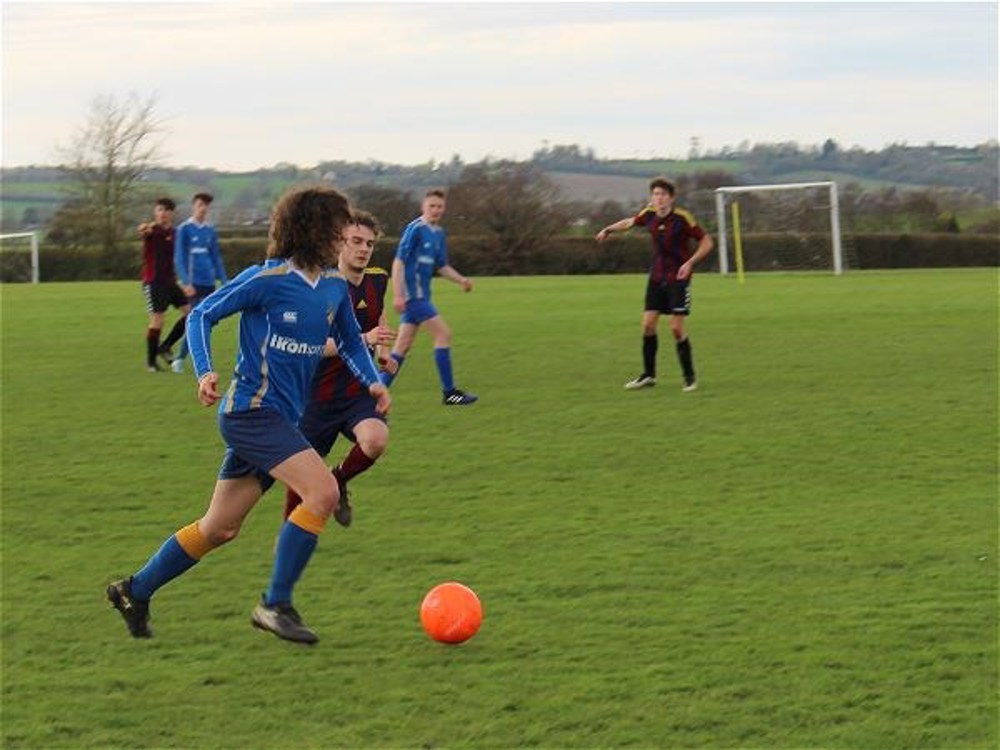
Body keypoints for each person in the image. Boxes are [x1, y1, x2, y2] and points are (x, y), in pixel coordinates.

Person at [107, 186, 390, 645]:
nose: (346, 237)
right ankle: (274, 604)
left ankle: (134, 591)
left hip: (281, 421)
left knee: (219, 528)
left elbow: (353, 341)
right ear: (315, 230)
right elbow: (201, 316)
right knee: (322, 491)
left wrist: (371, 379)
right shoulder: (268, 278)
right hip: (251, 414)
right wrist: (204, 372)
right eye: (339, 229)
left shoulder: (334, 287)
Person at [284, 209, 396, 527]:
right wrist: (364, 339)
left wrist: (384, 349)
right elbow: (312, 347)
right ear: (339, 244)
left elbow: (379, 314)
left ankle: (340, 478)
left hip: (357, 392)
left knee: (375, 439)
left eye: (369, 244)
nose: (363, 249)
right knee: (303, 479)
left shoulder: (377, 279)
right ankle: (289, 541)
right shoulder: (319, 289)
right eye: (356, 241)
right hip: (316, 397)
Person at [596, 177, 714, 391]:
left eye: (663, 195)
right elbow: (629, 222)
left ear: (671, 198)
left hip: (678, 279)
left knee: (676, 328)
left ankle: (690, 378)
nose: (658, 198)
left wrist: (690, 262)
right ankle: (648, 376)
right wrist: (608, 229)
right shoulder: (648, 214)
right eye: (655, 194)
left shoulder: (682, 218)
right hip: (656, 278)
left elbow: (707, 241)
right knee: (648, 325)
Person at [379, 188, 478, 406]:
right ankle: (449, 393)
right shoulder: (415, 229)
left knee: (402, 346)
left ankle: (375, 391)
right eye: (431, 206)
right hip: (414, 298)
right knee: (443, 334)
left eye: (439, 206)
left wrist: (461, 280)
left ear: (444, 209)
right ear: (423, 206)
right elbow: (398, 262)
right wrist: (398, 294)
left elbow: (441, 266)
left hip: (423, 297)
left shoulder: (438, 234)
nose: (435, 210)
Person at [171, 192, 227, 373]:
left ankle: (187, 359)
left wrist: (224, 280)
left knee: (205, 322)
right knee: (197, 320)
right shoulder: (184, 229)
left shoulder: (210, 230)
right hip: (193, 283)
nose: (203, 208)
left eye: (206, 206)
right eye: (200, 205)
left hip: (208, 282)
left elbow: (216, 257)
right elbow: (179, 258)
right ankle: (181, 359)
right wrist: (186, 282)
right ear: (194, 206)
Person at [139, 197, 190, 372]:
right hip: (153, 281)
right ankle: (151, 362)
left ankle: (165, 346)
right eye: (159, 209)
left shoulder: (175, 233)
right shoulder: (153, 230)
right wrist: (144, 229)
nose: (162, 213)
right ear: (156, 212)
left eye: (166, 210)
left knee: (190, 314)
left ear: (171, 213)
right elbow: (144, 230)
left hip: (170, 281)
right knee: (157, 320)